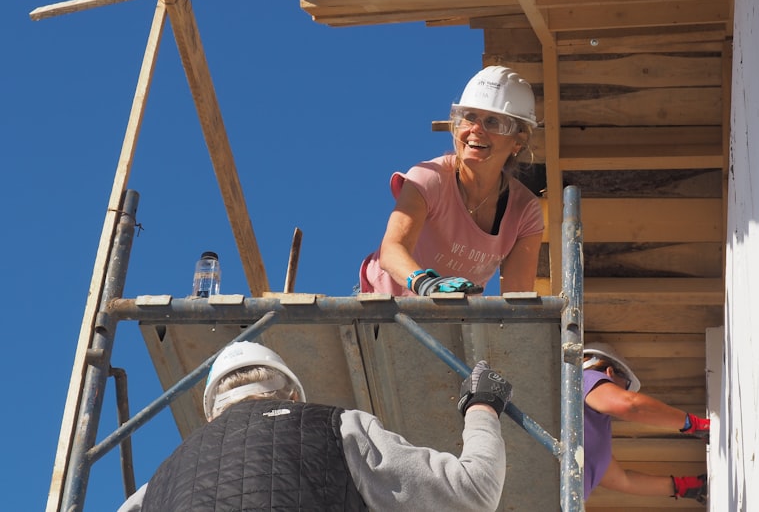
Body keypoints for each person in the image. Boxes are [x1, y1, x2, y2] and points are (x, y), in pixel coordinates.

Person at [117, 341, 514, 512]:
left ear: (212, 415)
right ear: (293, 396)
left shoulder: (156, 486)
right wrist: (483, 405)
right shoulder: (336, 427)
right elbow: (472, 491)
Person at [359, 65, 544, 297]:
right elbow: (392, 250)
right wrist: (426, 285)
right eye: (469, 118)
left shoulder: (524, 212)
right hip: (385, 310)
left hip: (451, 323)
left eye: (493, 122)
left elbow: (518, 297)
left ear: (518, 140)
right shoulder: (429, 178)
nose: (476, 129)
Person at [582, 341, 711, 503]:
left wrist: (686, 486)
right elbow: (630, 405)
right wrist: (695, 424)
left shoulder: (589, 428)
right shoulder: (585, 378)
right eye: (626, 386)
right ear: (610, 372)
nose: (625, 391)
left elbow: (622, 480)